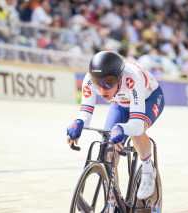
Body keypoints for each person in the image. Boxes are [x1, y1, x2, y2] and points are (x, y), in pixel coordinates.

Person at [66, 51, 165, 211]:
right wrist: (78, 123)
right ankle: (113, 200)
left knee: (135, 133)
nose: (102, 89)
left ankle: (147, 168)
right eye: (98, 83)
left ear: (120, 78)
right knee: (109, 151)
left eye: (109, 83)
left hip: (149, 99)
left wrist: (122, 127)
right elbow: (85, 113)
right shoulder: (89, 80)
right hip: (120, 103)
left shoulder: (133, 78)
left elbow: (137, 124)